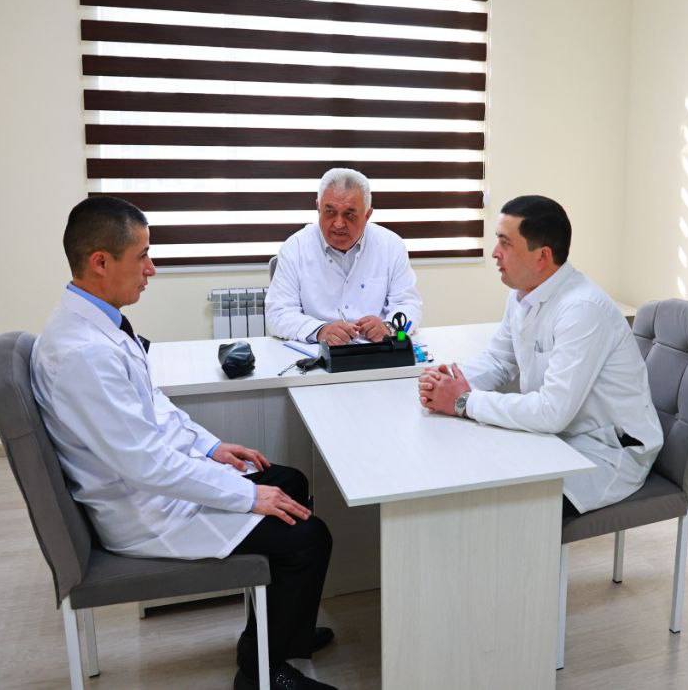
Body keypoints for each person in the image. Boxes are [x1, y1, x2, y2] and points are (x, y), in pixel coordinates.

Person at [30, 196, 336, 690]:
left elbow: (154, 408)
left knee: (290, 482)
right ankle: (261, 672)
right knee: (308, 539)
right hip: (146, 510)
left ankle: (283, 634)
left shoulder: (97, 326)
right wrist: (246, 494)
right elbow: (146, 465)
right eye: (142, 256)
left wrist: (212, 448)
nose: (151, 269)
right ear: (101, 262)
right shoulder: (82, 354)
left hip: (153, 482)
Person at [418, 195, 663, 516]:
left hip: (607, 451)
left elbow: (552, 412)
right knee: (466, 469)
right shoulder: (522, 294)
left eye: (505, 243)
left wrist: (464, 402)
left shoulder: (582, 309)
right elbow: (499, 360)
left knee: (497, 505)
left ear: (542, 256)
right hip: (558, 436)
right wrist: (448, 383)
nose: (494, 252)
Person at [266, 168, 422, 346]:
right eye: (330, 212)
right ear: (318, 208)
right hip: (317, 352)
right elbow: (278, 313)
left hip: (376, 350)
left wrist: (389, 328)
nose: (339, 224)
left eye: (349, 214)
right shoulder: (295, 247)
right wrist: (320, 331)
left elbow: (408, 304)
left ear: (367, 215)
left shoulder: (391, 245)